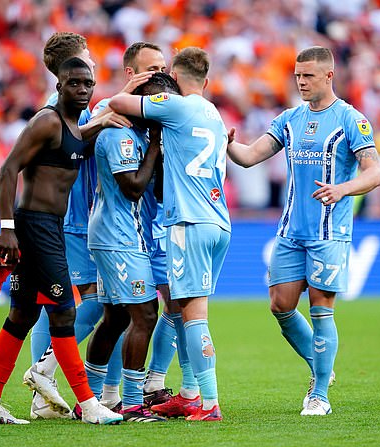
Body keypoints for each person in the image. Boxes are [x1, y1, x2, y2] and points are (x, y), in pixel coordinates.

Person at [226, 46, 380, 416]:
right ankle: (322, 370)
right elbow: (249, 157)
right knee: (280, 305)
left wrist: (342, 189)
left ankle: (319, 396)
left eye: (308, 76)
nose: (301, 82)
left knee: (321, 308)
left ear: (329, 76)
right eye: (297, 75)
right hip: (290, 232)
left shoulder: (351, 119)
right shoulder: (290, 119)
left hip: (328, 232)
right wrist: (228, 143)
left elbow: (374, 173)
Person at [0, 57, 123, 426]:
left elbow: (73, 143)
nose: (83, 89)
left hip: (46, 226)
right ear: (59, 86)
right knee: (63, 313)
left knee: (21, 316)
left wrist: (102, 122)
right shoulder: (47, 120)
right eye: (74, 83)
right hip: (35, 227)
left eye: (88, 83)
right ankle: (88, 404)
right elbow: (9, 168)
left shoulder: (70, 125)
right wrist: (7, 228)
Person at [110, 47, 232, 421]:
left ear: (174, 81)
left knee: (194, 317)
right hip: (219, 222)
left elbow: (117, 101)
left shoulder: (176, 106)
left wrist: (135, 83)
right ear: (207, 81)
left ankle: (208, 403)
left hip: (188, 224)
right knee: (179, 310)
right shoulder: (213, 113)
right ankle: (189, 393)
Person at [23, 32, 137, 419]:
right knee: (102, 302)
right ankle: (47, 375)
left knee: (58, 305)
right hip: (75, 218)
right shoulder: (66, 107)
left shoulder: (66, 103)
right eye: (87, 57)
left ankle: (70, 393)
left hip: (70, 216)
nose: (92, 62)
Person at [83, 72, 180, 423]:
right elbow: (133, 187)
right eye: (156, 106)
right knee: (145, 315)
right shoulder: (120, 135)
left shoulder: (135, 133)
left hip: (122, 235)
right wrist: (155, 144)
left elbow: (155, 191)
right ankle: (135, 404)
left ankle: (90, 400)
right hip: (119, 238)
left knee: (116, 318)